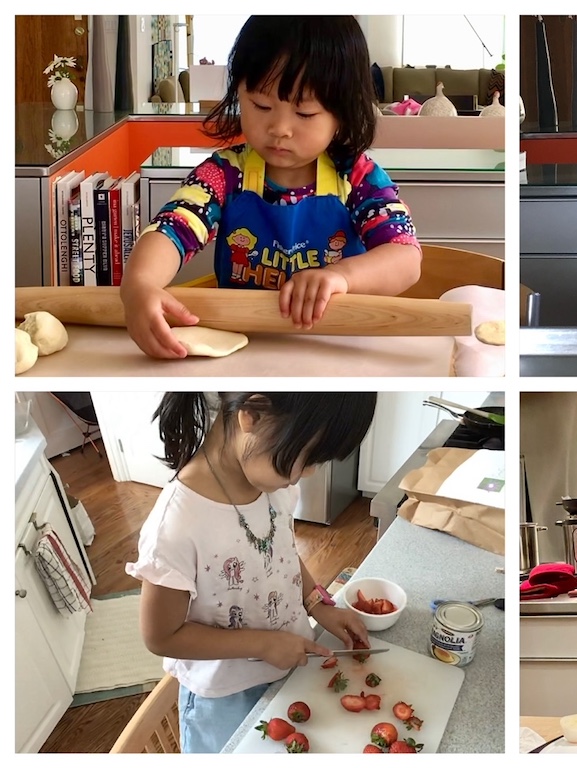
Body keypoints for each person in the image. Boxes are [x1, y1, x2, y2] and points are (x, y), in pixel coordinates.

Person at [121, 16, 421, 359]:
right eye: (261, 106)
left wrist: (342, 277)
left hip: (335, 349)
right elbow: (172, 229)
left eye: (304, 113)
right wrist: (140, 283)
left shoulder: (356, 178)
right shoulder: (225, 173)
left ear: (342, 112)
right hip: (242, 351)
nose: (279, 128)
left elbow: (405, 257)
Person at [125, 392, 377, 752]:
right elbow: (161, 637)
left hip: (287, 672)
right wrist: (261, 643)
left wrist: (319, 604)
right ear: (253, 415)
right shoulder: (177, 525)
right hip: (224, 700)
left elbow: (283, 555)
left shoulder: (273, 487)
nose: (308, 473)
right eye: (309, 457)